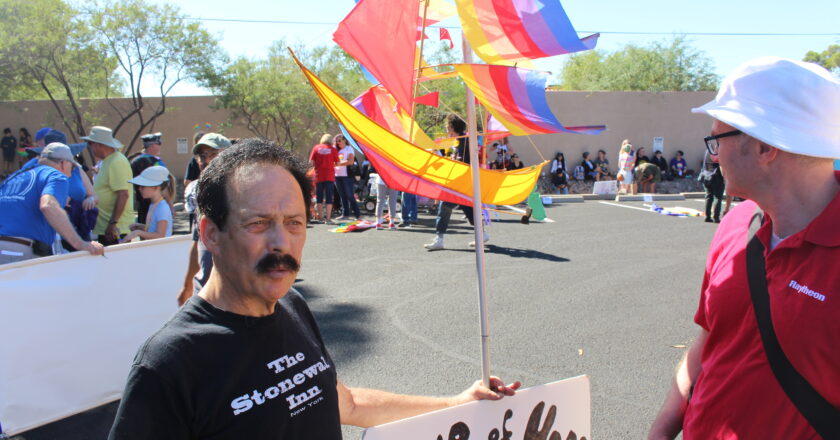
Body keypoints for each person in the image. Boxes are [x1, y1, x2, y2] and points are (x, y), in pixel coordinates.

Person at [107, 138, 519, 439]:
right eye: (257, 223)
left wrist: (459, 402)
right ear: (210, 234)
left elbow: (346, 404)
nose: (281, 243)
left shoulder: (292, 305)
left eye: (294, 223)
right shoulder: (167, 364)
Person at [648, 57, 840, 439]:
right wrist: (661, 431)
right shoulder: (736, 224)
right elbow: (709, 341)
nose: (713, 156)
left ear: (765, 147)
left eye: (717, 139)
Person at [0, 143, 104, 264]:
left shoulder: (14, 177)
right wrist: (80, 243)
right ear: (64, 163)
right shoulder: (56, 176)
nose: (70, 173)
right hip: (21, 252)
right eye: (71, 166)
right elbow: (48, 206)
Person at [178, 133, 232, 306]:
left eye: (214, 155)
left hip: (233, 295)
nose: (207, 160)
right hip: (204, 294)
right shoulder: (197, 190)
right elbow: (197, 240)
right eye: (202, 156)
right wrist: (187, 286)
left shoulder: (243, 191)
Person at [424, 115, 488, 250]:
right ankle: (482, 234)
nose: (446, 128)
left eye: (448, 125)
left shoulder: (465, 141)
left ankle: (439, 239)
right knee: (468, 209)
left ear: (453, 127)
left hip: (461, 183)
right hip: (461, 182)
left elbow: (464, 162)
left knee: (445, 207)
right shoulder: (458, 141)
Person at [84, 126, 134, 246]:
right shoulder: (107, 161)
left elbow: (123, 194)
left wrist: (113, 223)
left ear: (99, 144)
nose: (90, 147)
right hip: (107, 227)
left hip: (115, 229)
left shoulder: (117, 161)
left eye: (90, 143)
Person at [130, 132, 173, 225]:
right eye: (159, 144)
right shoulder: (155, 162)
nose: (160, 147)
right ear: (152, 146)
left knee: (144, 228)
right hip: (157, 202)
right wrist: (170, 206)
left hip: (142, 203)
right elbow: (164, 186)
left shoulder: (135, 162)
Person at [123, 166, 173, 241]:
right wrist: (141, 227)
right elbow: (154, 228)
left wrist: (138, 232)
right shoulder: (154, 205)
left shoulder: (162, 208)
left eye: (143, 186)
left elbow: (160, 235)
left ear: (155, 187)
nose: (139, 188)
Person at [309, 134, 340, 223]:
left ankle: (321, 217)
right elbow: (337, 163)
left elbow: (310, 162)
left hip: (319, 176)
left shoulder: (316, 148)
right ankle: (328, 218)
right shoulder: (333, 149)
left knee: (319, 197)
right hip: (329, 176)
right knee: (329, 198)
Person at [332, 134, 361, 221]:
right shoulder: (335, 149)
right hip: (337, 176)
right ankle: (345, 214)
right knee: (342, 196)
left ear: (345, 140)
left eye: (340, 140)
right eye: (337, 141)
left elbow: (351, 161)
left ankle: (358, 215)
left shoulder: (349, 148)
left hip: (347, 176)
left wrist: (338, 163)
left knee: (350, 195)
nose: (338, 142)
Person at [698, 151, 725, 223]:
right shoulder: (719, 155)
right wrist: (725, 177)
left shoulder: (707, 154)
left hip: (707, 177)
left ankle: (707, 216)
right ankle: (716, 217)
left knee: (709, 197)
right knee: (718, 198)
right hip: (717, 178)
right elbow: (721, 167)